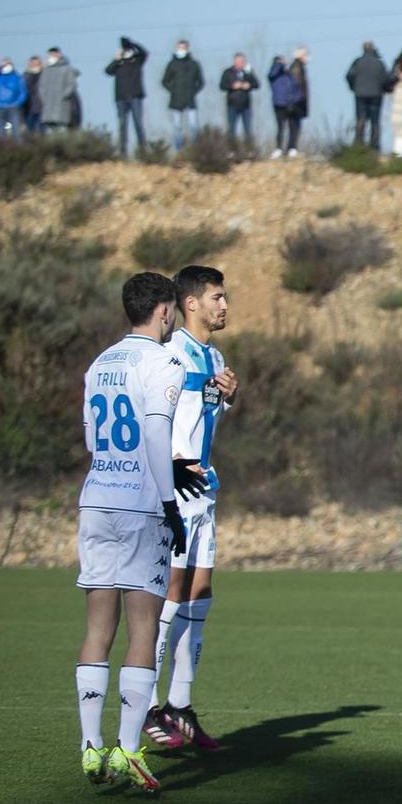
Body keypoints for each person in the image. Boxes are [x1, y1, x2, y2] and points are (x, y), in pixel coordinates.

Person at [75, 272, 192, 795]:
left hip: (97, 498)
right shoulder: (164, 360)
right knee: (143, 627)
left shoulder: (101, 361)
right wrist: (169, 503)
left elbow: (90, 437)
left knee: (99, 624)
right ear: (164, 311)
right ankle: (127, 748)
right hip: (141, 507)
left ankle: (88, 746)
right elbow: (153, 427)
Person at [141, 263, 236, 753]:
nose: (225, 305)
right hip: (176, 489)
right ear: (191, 303)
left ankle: (180, 703)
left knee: (201, 590)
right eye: (217, 297)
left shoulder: (213, 355)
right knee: (171, 593)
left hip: (204, 488)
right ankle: (146, 704)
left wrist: (228, 398)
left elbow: (203, 415)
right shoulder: (170, 352)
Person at [105, 36, 150, 155]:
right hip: (121, 98)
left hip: (135, 96)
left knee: (138, 123)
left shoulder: (137, 60)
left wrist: (133, 45)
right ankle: (122, 151)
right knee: (122, 125)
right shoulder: (119, 62)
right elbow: (108, 71)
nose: (126, 51)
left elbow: (145, 53)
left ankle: (142, 150)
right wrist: (116, 59)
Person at [162, 40, 204, 151]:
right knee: (177, 127)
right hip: (176, 100)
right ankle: (178, 150)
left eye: (183, 48)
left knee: (194, 126)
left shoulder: (194, 64)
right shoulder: (172, 64)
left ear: (188, 48)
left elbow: (201, 82)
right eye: (179, 48)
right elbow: (164, 81)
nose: (181, 50)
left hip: (190, 100)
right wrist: (173, 91)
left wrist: (193, 91)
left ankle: (195, 150)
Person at [346, 42, 388, 150]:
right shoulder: (379, 63)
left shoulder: (357, 62)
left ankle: (358, 144)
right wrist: (383, 89)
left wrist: (353, 87)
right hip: (376, 94)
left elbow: (349, 75)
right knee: (375, 121)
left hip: (360, 94)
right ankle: (374, 146)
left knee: (361, 119)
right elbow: (386, 79)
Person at [267, 47, 308, 159]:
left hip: (290, 103)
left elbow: (296, 87)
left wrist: (298, 99)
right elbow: (273, 72)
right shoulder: (274, 75)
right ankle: (279, 148)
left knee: (293, 126)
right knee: (280, 127)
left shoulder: (288, 74)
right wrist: (279, 63)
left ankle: (292, 148)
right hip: (279, 104)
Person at [218, 53, 257, 145]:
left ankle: (249, 149)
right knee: (231, 128)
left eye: (242, 61)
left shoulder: (248, 72)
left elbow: (256, 84)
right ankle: (231, 149)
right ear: (234, 61)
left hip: (246, 105)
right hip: (232, 104)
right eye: (239, 61)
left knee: (248, 128)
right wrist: (232, 86)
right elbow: (222, 86)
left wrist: (249, 85)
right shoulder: (228, 72)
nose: (241, 63)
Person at [0, 57, 27, 135]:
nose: (6, 66)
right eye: (4, 65)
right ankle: (2, 145)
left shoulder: (17, 77)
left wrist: (16, 103)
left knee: (16, 129)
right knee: (0, 129)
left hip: (13, 107)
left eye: (7, 64)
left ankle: (17, 145)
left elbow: (23, 93)